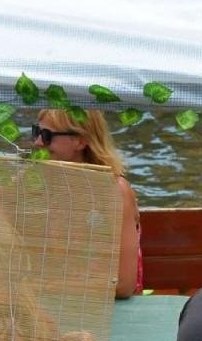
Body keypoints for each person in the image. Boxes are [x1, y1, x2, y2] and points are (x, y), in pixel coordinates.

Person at [30, 108, 142, 300]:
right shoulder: (49, 186)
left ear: (80, 141)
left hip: (109, 309)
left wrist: (48, 286)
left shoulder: (113, 191)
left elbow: (124, 284)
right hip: (60, 301)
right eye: (36, 132)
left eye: (47, 135)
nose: (38, 142)